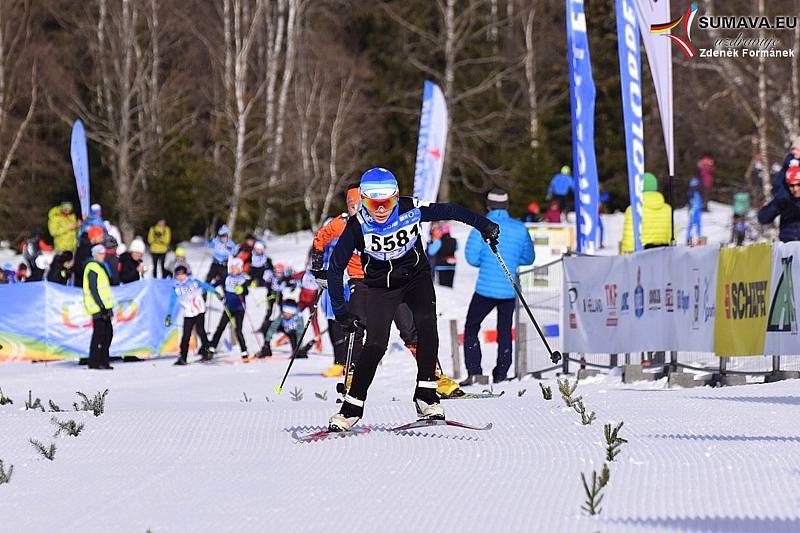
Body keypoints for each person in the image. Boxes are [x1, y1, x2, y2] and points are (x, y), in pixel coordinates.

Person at [324, 167, 498, 432]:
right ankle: (351, 408)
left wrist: (483, 225)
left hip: (415, 278)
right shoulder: (357, 226)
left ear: (396, 197)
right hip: (381, 286)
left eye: (387, 202)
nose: (381, 209)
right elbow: (335, 269)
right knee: (375, 344)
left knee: (427, 327)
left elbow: (450, 210)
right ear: (363, 200)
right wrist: (341, 312)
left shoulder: (410, 208)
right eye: (373, 202)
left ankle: (426, 395)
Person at [460, 189, 534, 386]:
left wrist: (487, 262)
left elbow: (471, 258)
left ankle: (475, 372)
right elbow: (528, 257)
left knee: (472, 327)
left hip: (485, 288)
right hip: (509, 289)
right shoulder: (520, 228)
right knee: (504, 330)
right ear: (507, 205)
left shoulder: (480, 226)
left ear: (488, 205)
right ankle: (501, 373)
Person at [165, 264, 216, 365]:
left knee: (201, 331)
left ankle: (207, 351)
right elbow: (172, 302)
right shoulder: (176, 287)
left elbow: (205, 286)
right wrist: (169, 315)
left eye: (182, 274)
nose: (180, 277)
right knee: (186, 336)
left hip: (199, 310)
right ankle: (183, 357)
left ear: (186, 274)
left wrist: (216, 293)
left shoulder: (193, 282)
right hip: (188, 312)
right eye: (178, 275)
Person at [621, 172, 673, 253]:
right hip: (663, 256)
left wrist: (624, 257)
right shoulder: (668, 209)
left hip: (641, 258)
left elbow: (629, 238)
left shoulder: (633, 209)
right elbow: (671, 235)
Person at [209, 257, 250, 359]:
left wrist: (241, 290)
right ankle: (211, 349)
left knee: (238, 330)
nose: (233, 270)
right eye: (231, 268)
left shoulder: (242, 279)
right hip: (228, 308)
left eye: (235, 268)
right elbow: (215, 285)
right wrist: (211, 288)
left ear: (240, 269)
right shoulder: (226, 278)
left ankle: (244, 351)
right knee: (220, 328)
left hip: (239, 308)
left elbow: (246, 291)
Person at [83, 244, 114, 370]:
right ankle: (95, 362)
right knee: (99, 335)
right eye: (101, 254)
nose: (103, 256)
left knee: (108, 335)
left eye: (103, 253)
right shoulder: (92, 267)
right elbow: (93, 289)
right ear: (95, 255)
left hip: (105, 307)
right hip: (98, 308)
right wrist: (101, 306)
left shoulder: (100, 267)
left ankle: (103, 360)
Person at [758, 166, 800, 242]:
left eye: (798, 184)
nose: (795, 189)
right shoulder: (783, 197)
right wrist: (776, 205)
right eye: (792, 185)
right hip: (788, 244)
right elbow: (763, 218)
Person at [426, 223, 457, 287]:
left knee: (442, 287)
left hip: (441, 266)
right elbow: (457, 247)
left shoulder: (438, 241)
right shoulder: (454, 240)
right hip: (452, 266)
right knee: (449, 284)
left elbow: (431, 252)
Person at [772, 137, 800, 201]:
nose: (794, 151)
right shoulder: (789, 161)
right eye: (793, 149)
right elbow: (779, 182)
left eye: (797, 149)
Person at [686, 177, 702, 245]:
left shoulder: (696, 192)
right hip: (694, 211)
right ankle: (689, 238)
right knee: (692, 225)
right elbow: (691, 202)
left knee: (697, 225)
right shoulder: (691, 192)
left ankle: (697, 238)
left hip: (696, 210)